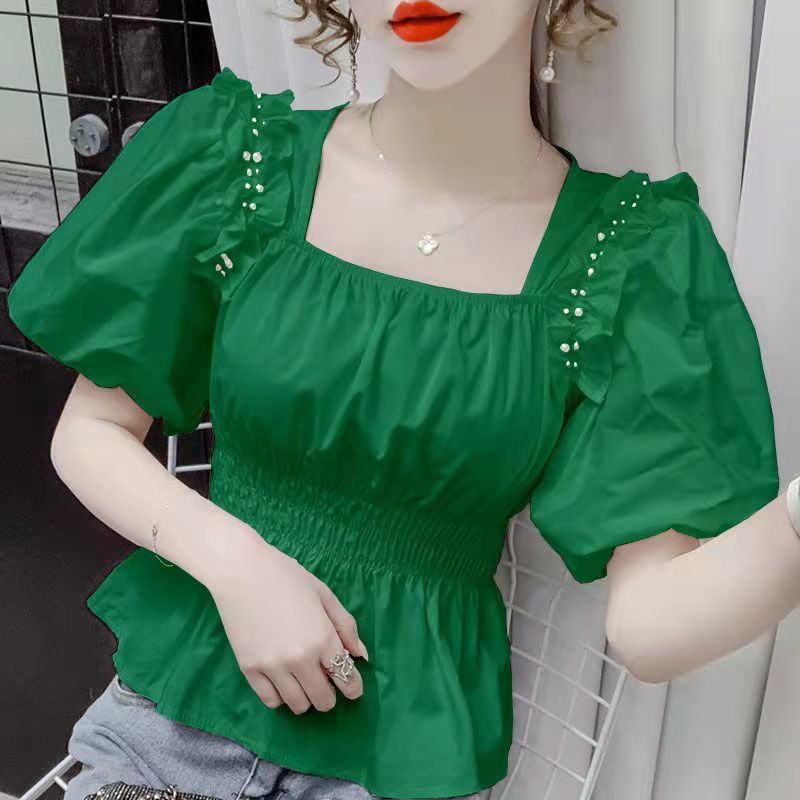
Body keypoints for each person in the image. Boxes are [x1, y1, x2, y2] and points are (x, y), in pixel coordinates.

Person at [7, 1, 800, 799]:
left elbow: (649, 627)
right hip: (170, 732)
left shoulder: (629, 258)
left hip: (395, 770)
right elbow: (92, 431)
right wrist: (236, 564)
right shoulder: (238, 158)